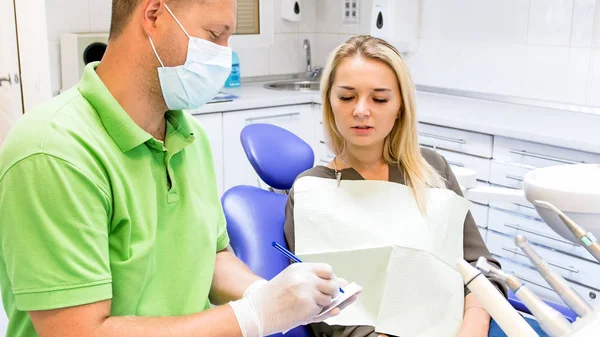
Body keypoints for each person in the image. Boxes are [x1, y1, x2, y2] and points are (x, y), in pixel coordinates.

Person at [0, 1, 352, 336]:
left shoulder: (188, 135)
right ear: (153, 14)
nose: (225, 55)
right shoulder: (53, 151)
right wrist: (253, 316)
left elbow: (210, 256)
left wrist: (273, 294)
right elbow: (79, 333)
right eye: (215, 35)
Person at [284, 35, 508, 337]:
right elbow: (323, 303)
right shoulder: (312, 191)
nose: (361, 110)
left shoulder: (433, 170)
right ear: (329, 103)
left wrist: (475, 323)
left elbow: (480, 266)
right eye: (347, 97)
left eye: (379, 99)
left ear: (401, 105)